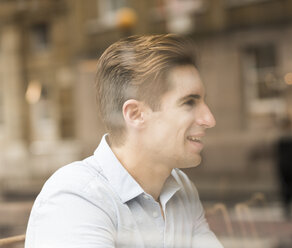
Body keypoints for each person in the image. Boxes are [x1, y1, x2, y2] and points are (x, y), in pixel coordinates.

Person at [25, 34, 223, 248]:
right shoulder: (76, 198)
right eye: (189, 103)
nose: (209, 119)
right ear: (136, 114)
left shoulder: (182, 188)